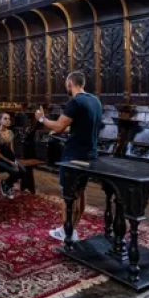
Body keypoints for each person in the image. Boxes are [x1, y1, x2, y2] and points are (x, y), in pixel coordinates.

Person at [35, 71, 102, 241]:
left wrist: (42, 119)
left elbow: (58, 127)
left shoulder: (75, 102)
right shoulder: (95, 101)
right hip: (90, 153)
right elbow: (83, 126)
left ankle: (66, 231)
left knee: (68, 194)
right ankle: (73, 229)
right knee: (81, 190)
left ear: (70, 83)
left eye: (66, 84)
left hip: (74, 155)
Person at [0, 112, 26, 199]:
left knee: (23, 171)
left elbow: (11, 149)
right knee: (14, 171)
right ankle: (7, 187)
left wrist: (15, 160)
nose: (8, 120)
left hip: (8, 156)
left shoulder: (10, 132)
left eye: (9, 119)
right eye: (5, 119)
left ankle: (5, 183)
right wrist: (10, 162)